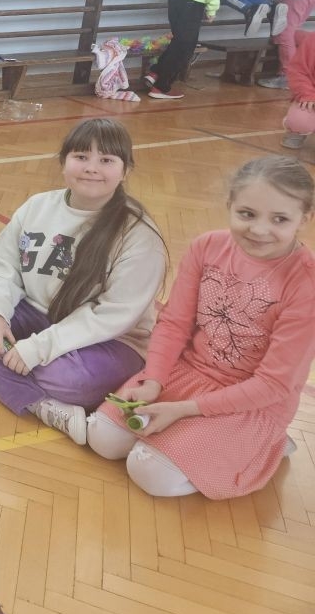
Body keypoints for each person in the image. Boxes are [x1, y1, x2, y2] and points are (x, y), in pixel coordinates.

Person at [89, 156, 315, 499]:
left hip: (253, 402)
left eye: (279, 219)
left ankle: (264, 446)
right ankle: (191, 441)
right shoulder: (207, 247)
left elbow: (273, 384)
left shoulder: (305, 283)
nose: (259, 229)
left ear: (305, 218)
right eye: (247, 214)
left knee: (150, 472)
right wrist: (153, 381)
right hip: (189, 373)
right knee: (103, 438)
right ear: (230, 204)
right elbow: (174, 324)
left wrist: (182, 411)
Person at [0, 119, 168, 445]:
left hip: (110, 340)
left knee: (73, 380)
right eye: (81, 157)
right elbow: (5, 267)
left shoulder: (139, 235)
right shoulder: (37, 206)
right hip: (37, 314)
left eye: (106, 160)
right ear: (63, 162)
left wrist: (38, 348)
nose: (92, 168)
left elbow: (112, 316)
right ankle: (40, 403)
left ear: (125, 170)